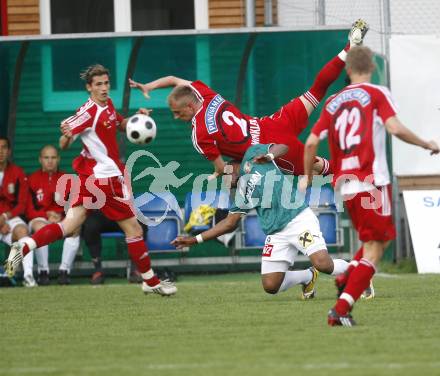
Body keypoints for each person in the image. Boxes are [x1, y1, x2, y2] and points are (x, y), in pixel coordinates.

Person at [5, 64, 177, 296]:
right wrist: (66, 134)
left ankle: (24, 245)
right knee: (134, 229)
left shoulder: (107, 105)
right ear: (89, 88)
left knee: (69, 225)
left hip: (91, 178)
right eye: (99, 84)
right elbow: (64, 142)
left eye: (106, 83)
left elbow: (118, 124)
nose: (104, 88)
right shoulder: (88, 112)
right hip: (104, 180)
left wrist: (136, 119)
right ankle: (151, 281)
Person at [302, 46, 440, 326]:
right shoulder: (377, 93)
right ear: (373, 67)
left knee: (378, 239)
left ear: (348, 70)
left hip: (346, 185)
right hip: (372, 182)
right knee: (376, 249)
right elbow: (394, 128)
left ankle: (347, 277)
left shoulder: (333, 102)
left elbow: (311, 143)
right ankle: (341, 310)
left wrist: (307, 177)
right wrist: (426, 143)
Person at [129, 20, 369, 179]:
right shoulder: (203, 92)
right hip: (273, 123)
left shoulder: (199, 133)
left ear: (190, 106)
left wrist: (217, 174)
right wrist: (149, 86)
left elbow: (225, 169)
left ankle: (359, 172)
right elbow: (173, 79)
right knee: (316, 90)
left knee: (317, 167)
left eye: (178, 113)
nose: (175, 117)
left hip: (272, 149)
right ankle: (349, 47)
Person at [172, 143, 349, 298]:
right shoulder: (241, 193)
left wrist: (270, 155)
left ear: (231, 166)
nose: (224, 180)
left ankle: (359, 275)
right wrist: (195, 239)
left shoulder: (252, 154)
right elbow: (229, 223)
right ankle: (308, 277)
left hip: (297, 220)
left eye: (224, 173)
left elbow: (283, 147)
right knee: (271, 285)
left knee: (323, 264)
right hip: (276, 233)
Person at [27, 145, 80, 285]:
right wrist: (46, 215)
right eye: (46, 158)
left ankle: (64, 271)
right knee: (40, 228)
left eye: (53, 157)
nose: (50, 161)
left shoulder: (68, 179)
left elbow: (74, 205)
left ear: (58, 159)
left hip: (62, 219)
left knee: (75, 228)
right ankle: (43, 272)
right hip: (39, 218)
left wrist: (61, 215)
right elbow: (28, 208)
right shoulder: (31, 179)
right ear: (40, 160)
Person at [0, 137, 35, 287]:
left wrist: (4, 217)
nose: (0, 151)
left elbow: (22, 204)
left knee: (23, 231)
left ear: (9, 151)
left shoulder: (17, 172)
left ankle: (26, 276)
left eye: (4, 147)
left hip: (10, 216)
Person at [81, 210, 146, 285]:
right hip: (100, 214)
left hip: (121, 212)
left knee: (140, 224)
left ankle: (135, 269)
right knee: (90, 227)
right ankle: (98, 271)